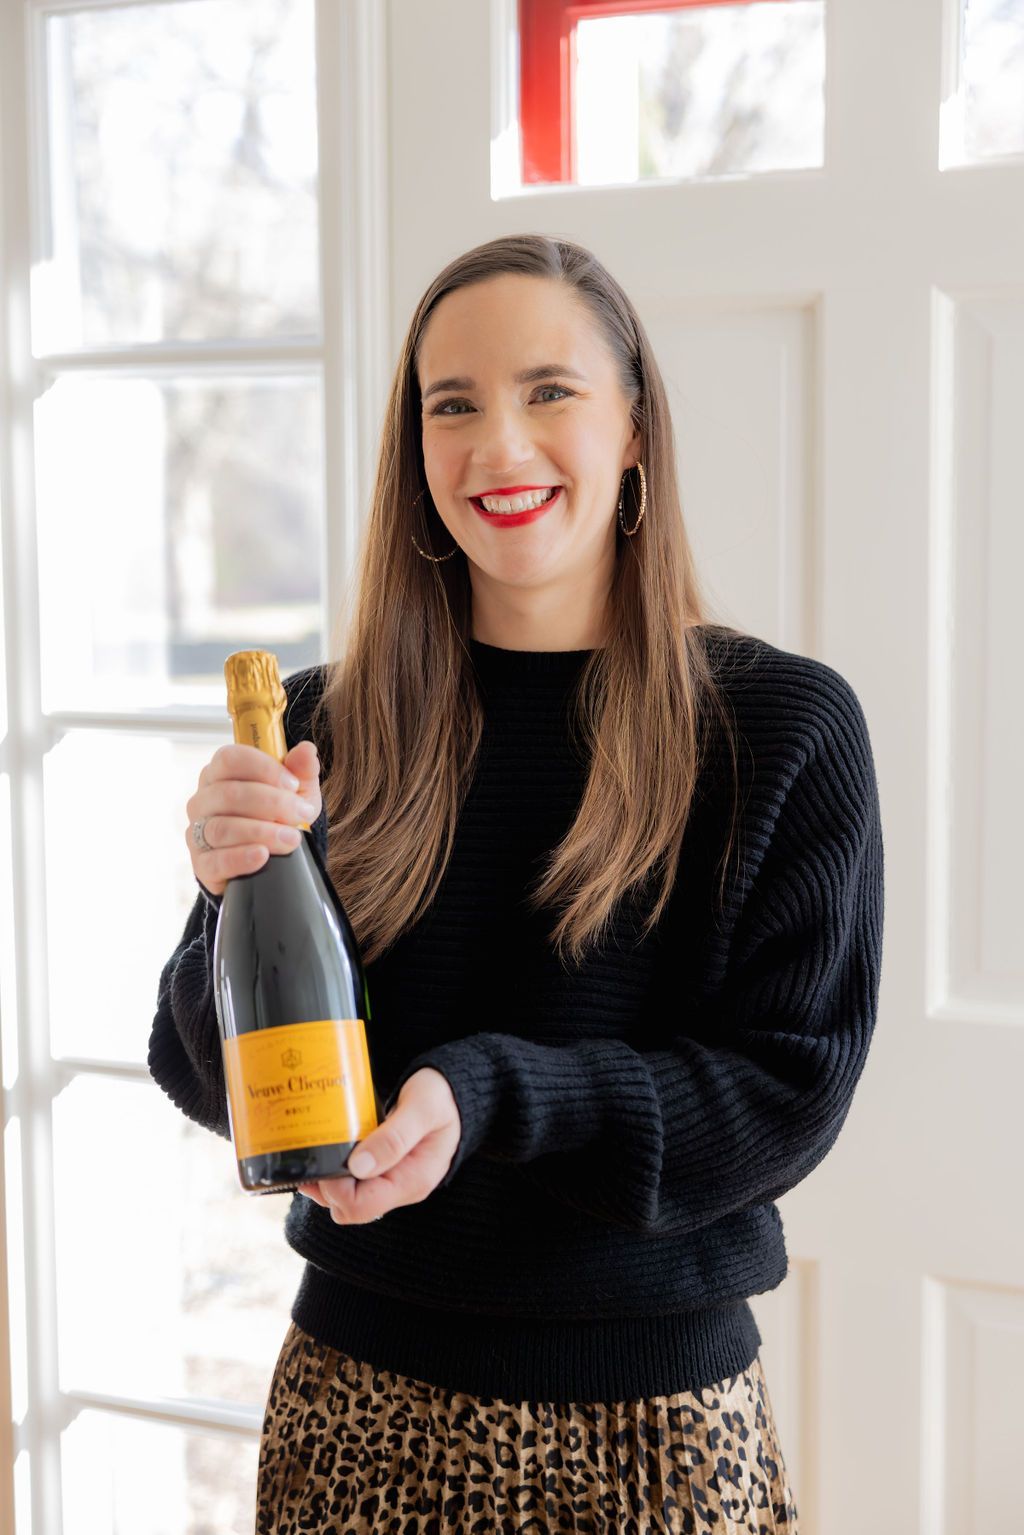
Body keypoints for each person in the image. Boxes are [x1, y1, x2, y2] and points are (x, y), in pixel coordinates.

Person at [149, 233, 884, 1533]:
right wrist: (227, 897)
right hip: (356, 1414)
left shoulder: (779, 731)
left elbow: (785, 1093)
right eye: (453, 404)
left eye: (550, 390)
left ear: (637, 427)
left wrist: (489, 1093)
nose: (498, 446)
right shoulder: (322, 728)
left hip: (654, 1433)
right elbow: (218, 1079)